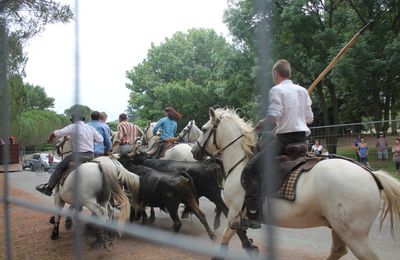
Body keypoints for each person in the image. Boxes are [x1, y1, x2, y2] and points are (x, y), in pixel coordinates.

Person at [238, 59, 313, 229]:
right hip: (302, 139)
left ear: (276, 74)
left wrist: (261, 123)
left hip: (285, 139)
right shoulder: (302, 91)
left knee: (250, 170)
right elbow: (310, 118)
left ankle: (253, 216)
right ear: (289, 73)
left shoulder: (276, 90)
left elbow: (273, 115)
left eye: (273, 75)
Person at [35, 112, 103, 196]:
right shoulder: (90, 128)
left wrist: (50, 139)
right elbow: (101, 139)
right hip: (90, 156)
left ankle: (49, 188)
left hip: (78, 156)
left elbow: (54, 133)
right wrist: (91, 141)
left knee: (59, 167)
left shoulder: (72, 127)